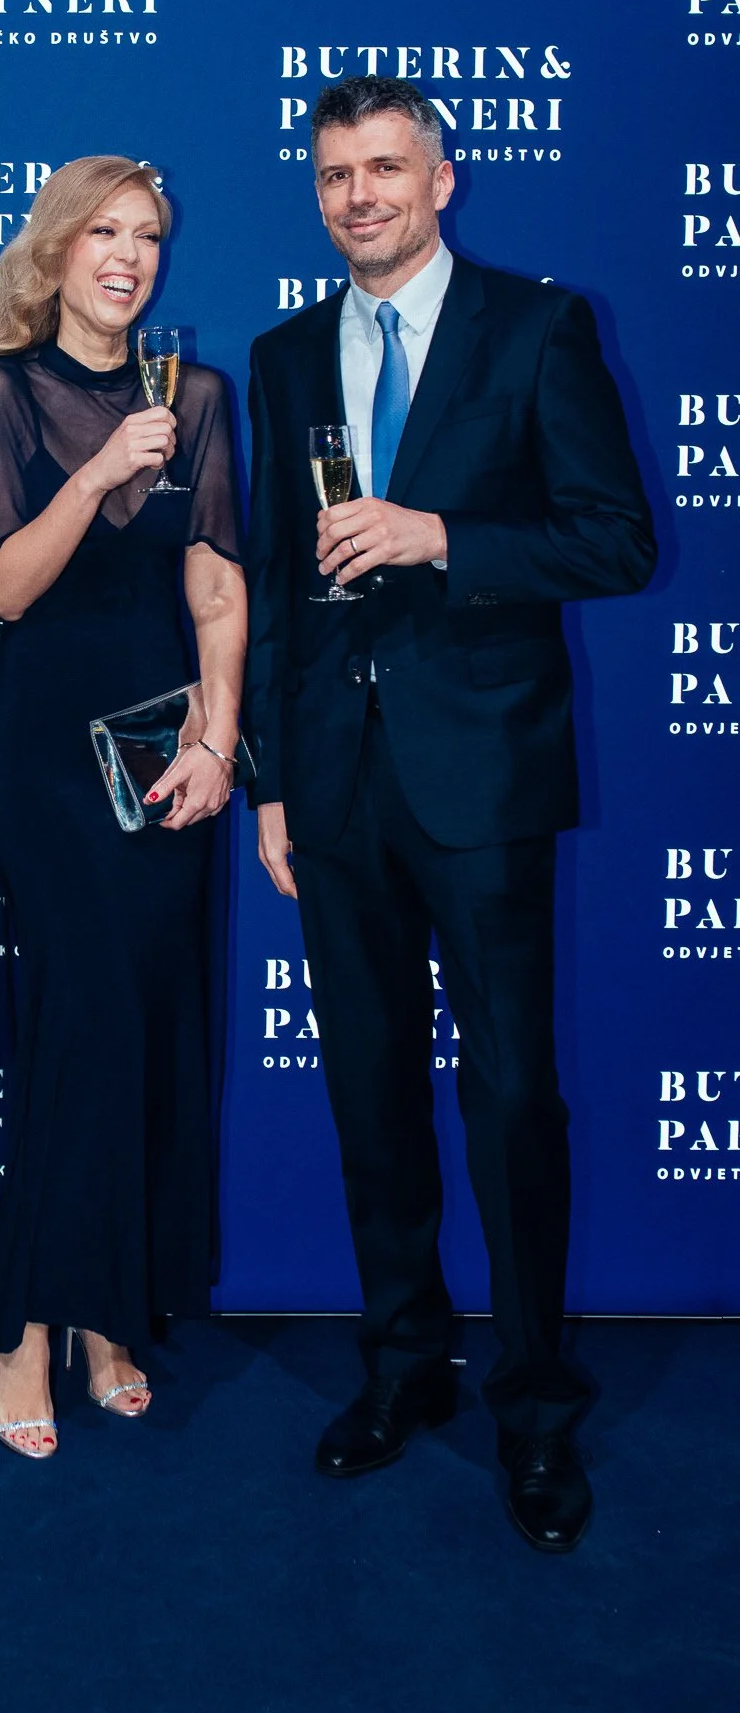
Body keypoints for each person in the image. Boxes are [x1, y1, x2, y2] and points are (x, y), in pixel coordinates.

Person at [244, 76, 656, 1551]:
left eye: (385, 169)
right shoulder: (285, 356)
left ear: (443, 177)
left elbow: (615, 539)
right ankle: (405, 1364)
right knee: (370, 1094)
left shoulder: (537, 328)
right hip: (339, 787)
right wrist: (276, 782)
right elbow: (288, 593)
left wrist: (442, 537)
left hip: (481, 783)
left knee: (509, 1100)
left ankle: (535, 1404)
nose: (360, 195)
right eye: (335, 175)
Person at [0, 156, 246, 1459]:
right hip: (49, 759)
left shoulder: (203, 394)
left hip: (164, 752)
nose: (128, 256)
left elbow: (220, 584)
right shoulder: (1, 392)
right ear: (57, 251)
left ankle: (110, 1316)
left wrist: (222, 739)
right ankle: (23, 1329)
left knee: (148, 1024)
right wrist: (96, 473)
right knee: (79, 1024)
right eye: (104, 233)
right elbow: (3, 592)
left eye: (148, 236)